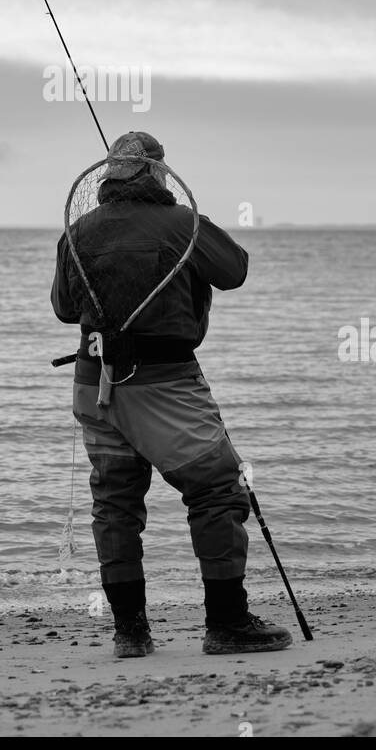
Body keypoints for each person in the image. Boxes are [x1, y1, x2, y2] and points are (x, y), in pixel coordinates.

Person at [51, 130, 292, 658]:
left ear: (108, 177)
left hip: (94, 385)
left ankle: (130, 634)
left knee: (115, 506)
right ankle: (227, 623)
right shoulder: (185, 226)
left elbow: (66, 309)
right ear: (159, 174)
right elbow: (235, 270)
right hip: (163, 385)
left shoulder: (77, 232)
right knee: (217, 491)